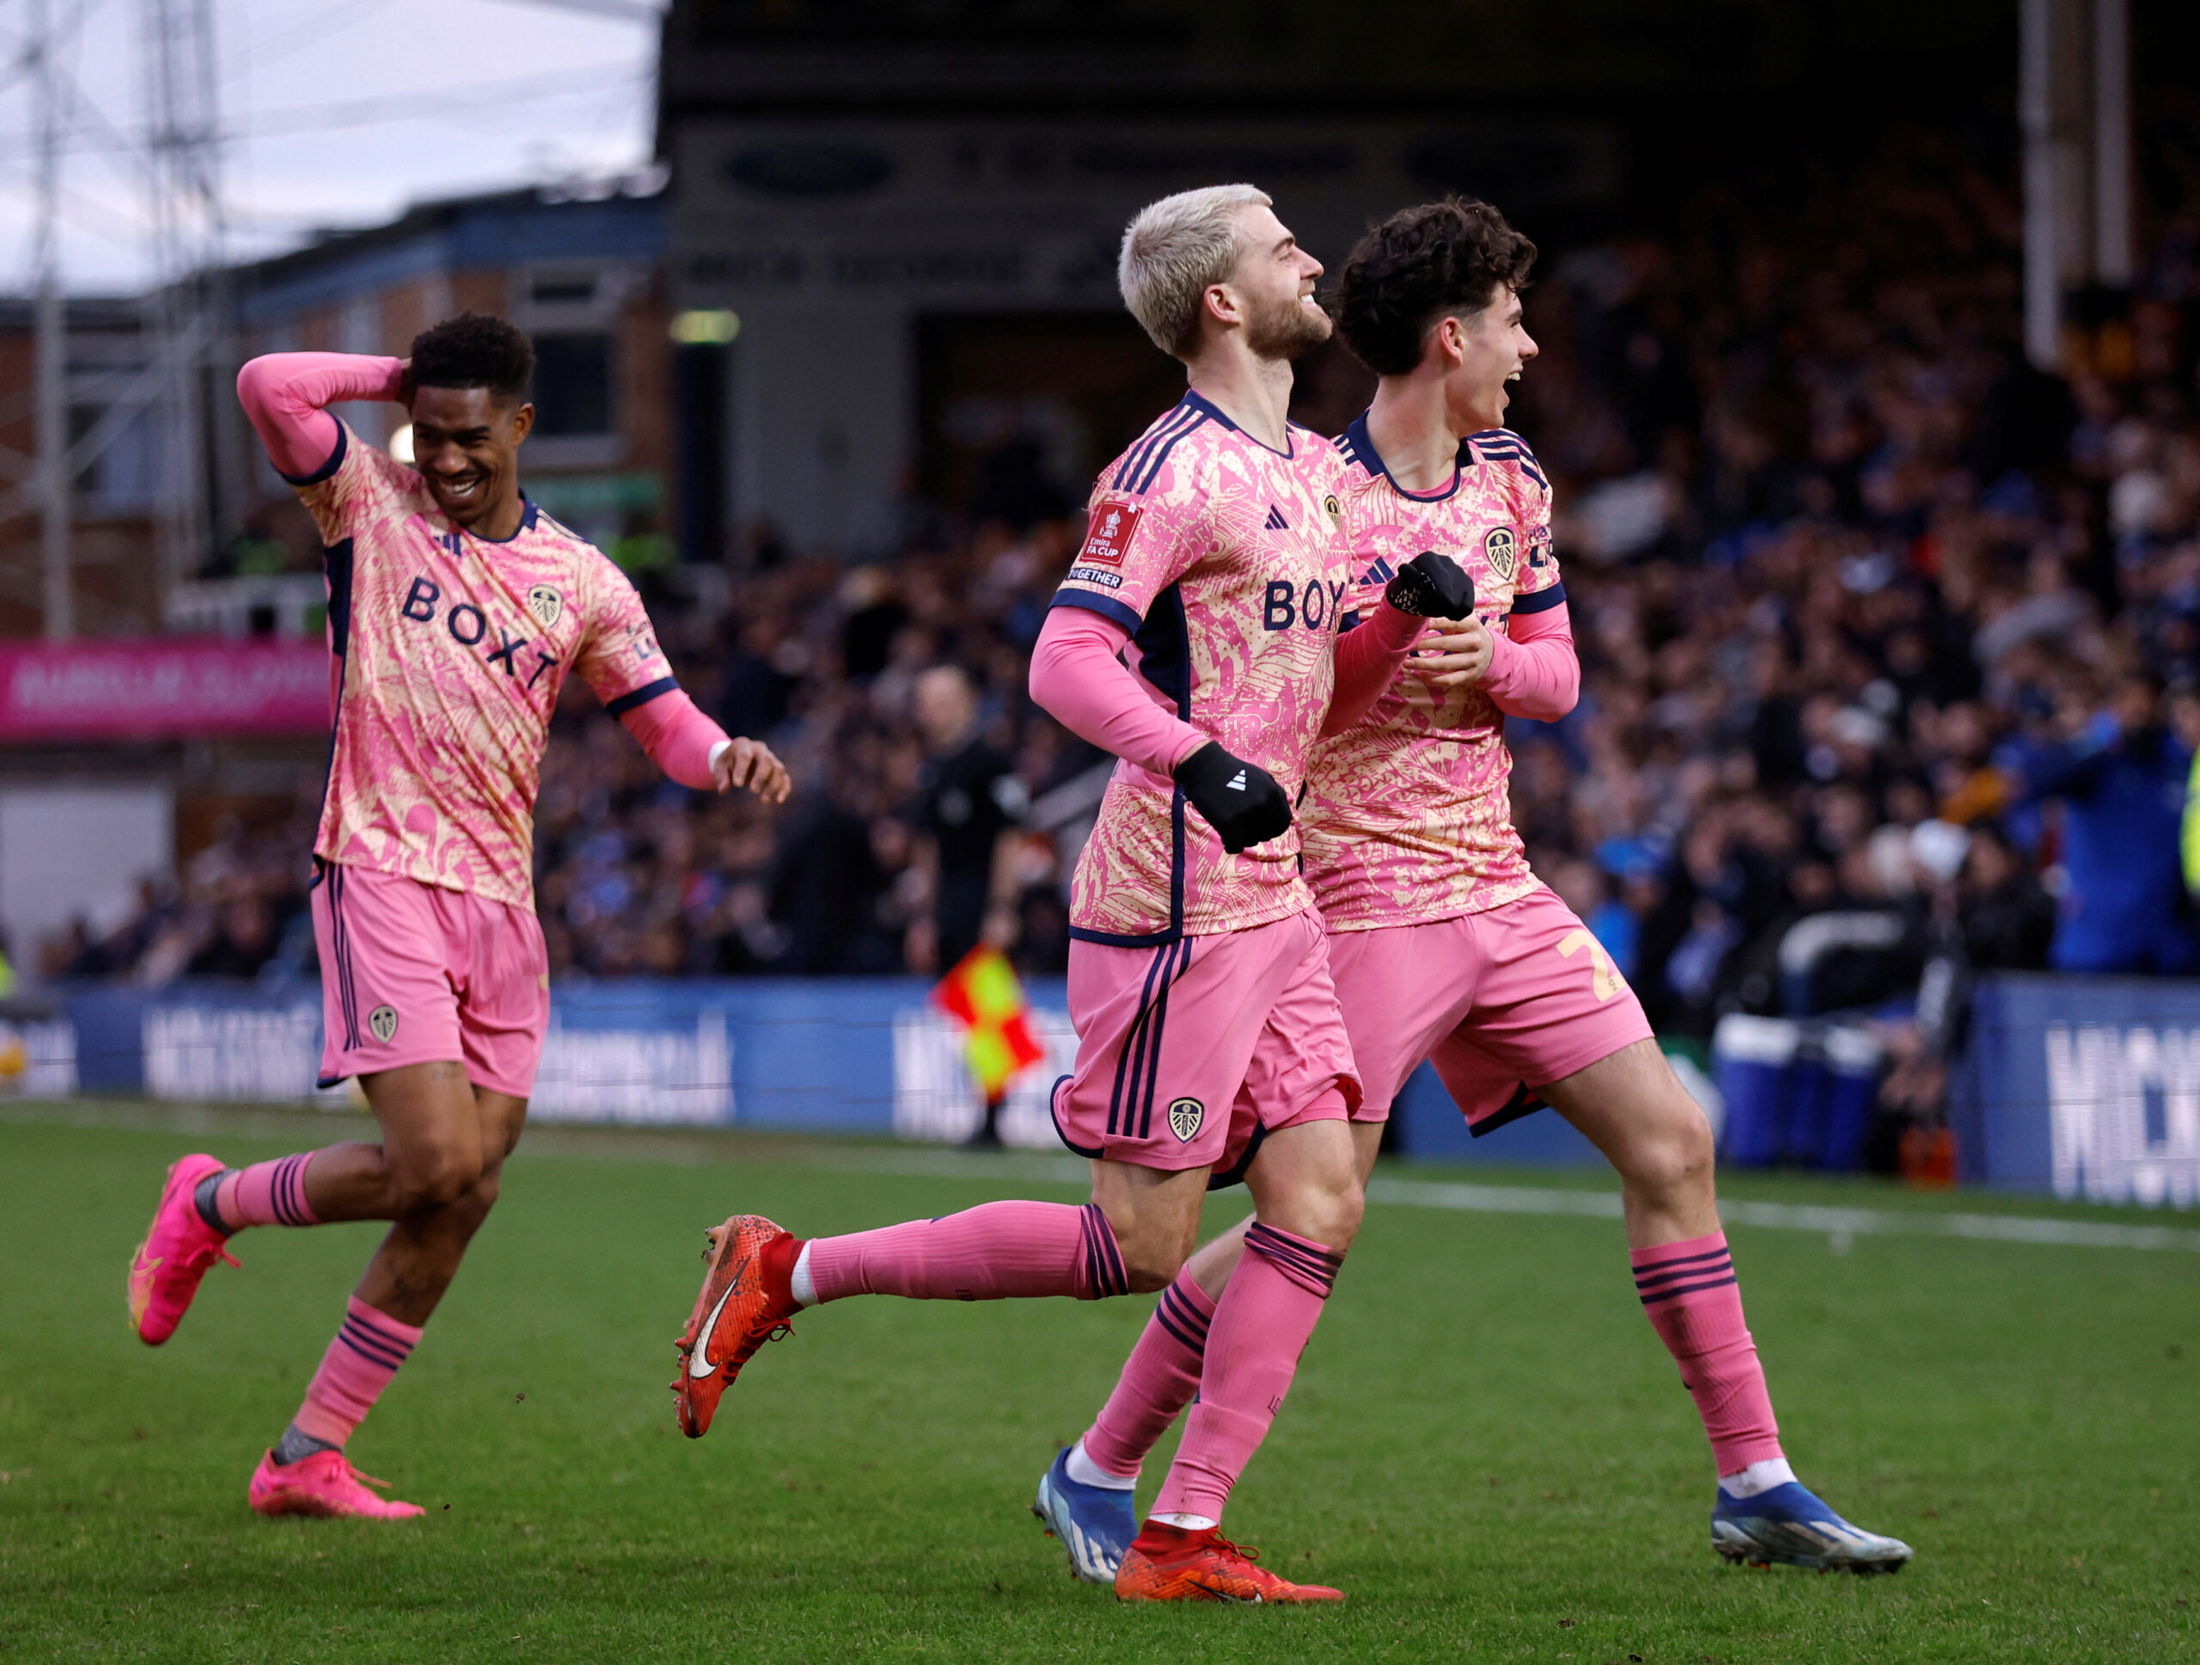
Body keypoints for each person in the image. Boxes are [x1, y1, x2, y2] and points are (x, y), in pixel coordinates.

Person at [1031, 197, 1914, 1582]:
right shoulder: (1312, 487)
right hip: (1358, 897)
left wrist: (1486, 669)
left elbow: (1556, 679)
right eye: (1512, 317)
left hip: (1501, 889)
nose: (1533, 343)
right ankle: (1107, 1464)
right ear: (1455, 333)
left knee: (1676, 1144)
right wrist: (1387, 650)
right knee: (1302, 1218)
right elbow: (1283, 711)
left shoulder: (1513, 480)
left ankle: (1758, 1479)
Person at [668, 184, 1470, 1604]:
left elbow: (1315, 685)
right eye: (1277, 242)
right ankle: (786, 1270)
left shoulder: (1300, 472)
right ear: (1222, 301)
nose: (1306, 253)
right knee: (1136, 1242)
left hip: (1271, 891)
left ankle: (1177, 1533)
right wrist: (1199, 758)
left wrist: (1396, 611)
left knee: (1323, 1195)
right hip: (1173, 900)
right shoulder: (1168, 470)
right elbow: (1065, 662)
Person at [125, 314, 790, 1520]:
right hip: (378, 868)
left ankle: (303, 1456)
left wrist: (725, 757)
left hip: (499, 900)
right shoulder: (364, 506)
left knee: (467, 1189)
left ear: (522, 428)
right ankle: (206, 1203)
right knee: (431, 1160)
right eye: (428, 434)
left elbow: (660, 718)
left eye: (471, 434)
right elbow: (268, 383)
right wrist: (407, 379)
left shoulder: (581, 579)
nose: (446, 459)